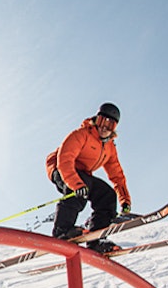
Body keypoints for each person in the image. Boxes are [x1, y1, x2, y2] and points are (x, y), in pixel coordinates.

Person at [45, 102, 131, 252]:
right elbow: (65, 159)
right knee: (82, 187)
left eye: (110, 125)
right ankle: (62, 230)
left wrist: (124, 200)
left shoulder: (109, 147)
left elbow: (117, 176)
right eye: (102, 121)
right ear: (96, 120)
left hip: (82, 176)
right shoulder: (82, 134)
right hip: (59, 168)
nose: (105, 127)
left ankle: (96, 239)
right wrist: (76, 184)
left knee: (107, 195)